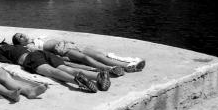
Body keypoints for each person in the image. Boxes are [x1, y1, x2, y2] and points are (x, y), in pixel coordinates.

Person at [0, 42, 110, 93]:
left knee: (52, 72)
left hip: (30, 59)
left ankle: (77, 81)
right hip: (41, 53)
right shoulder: (16, 46)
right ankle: (99, 76)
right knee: (67, 69)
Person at [12, 33, 146, 75]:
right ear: (20, 43)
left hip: (68, 44)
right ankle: (115, 68)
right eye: (20, 37)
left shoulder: (36, 38)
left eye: (22, 34)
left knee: (99, 55)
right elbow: (41, 52)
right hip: (61, 49)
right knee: (85, 58)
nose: (23, 36)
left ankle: (128, 64)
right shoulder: (29, 46)